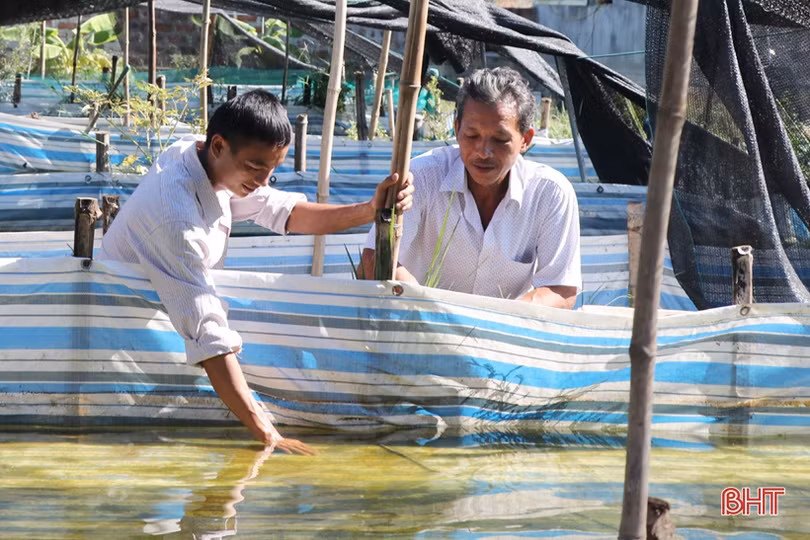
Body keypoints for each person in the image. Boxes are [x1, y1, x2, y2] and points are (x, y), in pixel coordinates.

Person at [99, 90, 413, 455]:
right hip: (115, 347)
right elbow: (208, 336)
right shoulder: (176, 220)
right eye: (254, 167)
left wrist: (369, 210)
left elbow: (284, 211)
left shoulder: (201, 157)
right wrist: (269, 435)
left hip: (160, 329)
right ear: (219, 146)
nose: (264, 180)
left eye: (272, 169)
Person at [361, 67, 581, 308]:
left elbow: (561, 288)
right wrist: (432, 312)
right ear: (457, 130)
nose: (483, 152)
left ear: (526, 140)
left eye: (500, 139)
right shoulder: (420, 178)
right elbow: (376, 259)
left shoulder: (550, 194)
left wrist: (499, 319)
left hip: (505, 328)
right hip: (419, 321)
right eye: (472, 135)